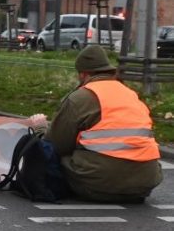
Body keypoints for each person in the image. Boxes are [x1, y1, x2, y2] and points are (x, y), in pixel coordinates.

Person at [28, 45, 162, 203]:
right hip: (144, 183)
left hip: (99, 185)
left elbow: (56, 146)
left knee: (63, 158)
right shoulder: (131, 94)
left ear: (83, 74)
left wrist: (41, 130)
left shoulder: (80, 98)